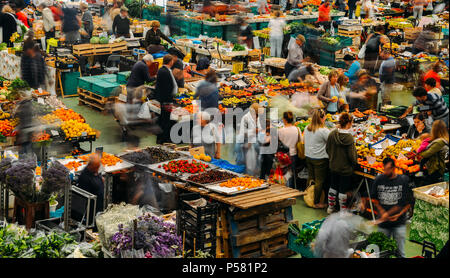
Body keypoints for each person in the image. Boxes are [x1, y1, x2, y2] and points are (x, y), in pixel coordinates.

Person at [368, 157, 412, 258]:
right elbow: (374, 199)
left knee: (401, 253)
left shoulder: (403, 180)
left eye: (388, 169)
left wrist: (398, 215)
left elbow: (407, 203)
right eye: (384, 169)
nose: (385, 171)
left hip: (399, 223)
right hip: (383, 224)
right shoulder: (379, 179)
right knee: (381, 252)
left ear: (394, 168)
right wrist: (382, 212)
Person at [326, 112, 357, 214]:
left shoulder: (332, 134)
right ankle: (343, 211)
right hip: (345, 169)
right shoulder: (349, 138)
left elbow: (327, 149)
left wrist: (333, 158)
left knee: (333, 186)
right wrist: (354, 164)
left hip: (333, 166)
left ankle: (330, 208)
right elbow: (352, 157)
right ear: (349, 123)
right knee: (343, 190)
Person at [304, 109, 330, 209]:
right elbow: (331, 141)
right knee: (319, 181)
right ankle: (316, 202)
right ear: (321, 118)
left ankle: (308, 197)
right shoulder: (323, 131)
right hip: (320, 158)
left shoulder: (307, 128)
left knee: (311, 178)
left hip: (309, 156)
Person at [155, 54, 178, 144]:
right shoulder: (165, 72)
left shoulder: (162, 70)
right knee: (165, 119)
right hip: (166, 100)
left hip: (164, 99)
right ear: (170, 61)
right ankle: (164, 139)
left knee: (163, 118)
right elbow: (167, 86)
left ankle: (161, 138)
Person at [419, 120, 449, 185]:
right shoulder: (437, 140)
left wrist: (418, 152)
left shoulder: (440, 142)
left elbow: (427, 154)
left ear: (434, 130)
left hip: (436, 169)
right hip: (434, 167)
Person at [278, 111, 302, 188]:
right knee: (291, 174)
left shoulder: (280, 130)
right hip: (293, 154)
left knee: (284, 175)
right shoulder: (297, 129)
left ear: (284, 119)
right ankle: (291, 190)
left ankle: (286, 191)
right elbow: (301, 141)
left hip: (283, 156)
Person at [235, 103, 262, 168]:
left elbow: (259, 128)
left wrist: (258, 130)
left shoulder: (257, 117)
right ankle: (239, 173)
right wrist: (253, 131)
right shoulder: (245, 118)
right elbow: (241, 131)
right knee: (241, 159)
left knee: (255, 157)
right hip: (242, 140)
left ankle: (256, 171)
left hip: (252, 139)